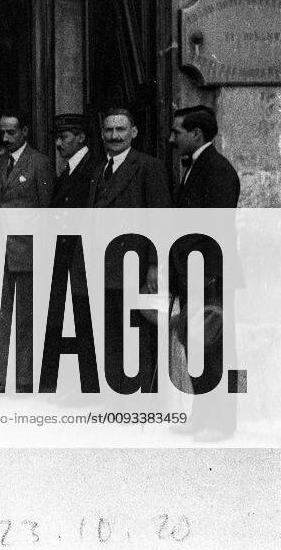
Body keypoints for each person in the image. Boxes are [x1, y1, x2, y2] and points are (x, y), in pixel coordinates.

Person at [167, 105, 240, 442]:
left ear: (196, 134)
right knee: (198, 347)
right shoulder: (196, 167)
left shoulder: (218, 170)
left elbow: (211, 228)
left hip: (212, 274)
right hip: (196, 273)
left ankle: (224, 424)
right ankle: (202, 417)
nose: (172, 138)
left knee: (218, 349)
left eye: (177, 131)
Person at [88, 107, 170, 395]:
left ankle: (140, 405)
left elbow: (160, 220)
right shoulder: (99, 170)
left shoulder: (148, 167)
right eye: (109, 130)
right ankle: (118, 399)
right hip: (105, 269)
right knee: (111, 337)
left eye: (121, 129)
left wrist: (153, 266)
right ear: (101, 134)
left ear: (133, 132)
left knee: (137, 336)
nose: (114, 136)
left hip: (135, 270)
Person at [0, 108, 54, 392]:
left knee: (25, 318)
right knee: (1, 316)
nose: (5, 137)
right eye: (2, 132)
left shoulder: (40, 163)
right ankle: (3, 378)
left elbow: (46, 210)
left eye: (11, 132)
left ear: (25, 131)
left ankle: (25, 379)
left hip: (27, 252)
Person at [50, 113, 100, 208]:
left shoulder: (95, 169)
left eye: (63, 137)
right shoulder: (68, 170)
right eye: (56, 138)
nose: (58, 143)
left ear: (81, 137)